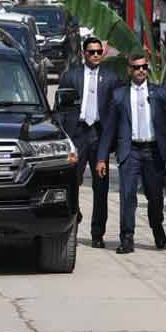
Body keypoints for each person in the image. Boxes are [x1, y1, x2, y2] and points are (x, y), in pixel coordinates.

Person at [96, 52, 166, 254]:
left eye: (144, 67)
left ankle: (157, 226)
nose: (141, 70)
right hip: (130, 151)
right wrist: (102, 158)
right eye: (136, 67)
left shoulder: (159, 93)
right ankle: (127, 238)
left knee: (155, 197)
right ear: (129, 70)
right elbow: (109, 129)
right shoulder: (119, 96)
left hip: (154, 152)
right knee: (127, 195)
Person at [55, 37, 120, 248]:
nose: (95, 55)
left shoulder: (111, 78)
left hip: (99, 136)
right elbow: (60, 108)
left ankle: (97, 234)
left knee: (100, 187)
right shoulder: (71, 76)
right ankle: (71, 221)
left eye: (98, 52)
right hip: (78, 134)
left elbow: (117, 110)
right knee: (71, 181)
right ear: (84, 53)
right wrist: (63, 135)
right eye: (91, 52)